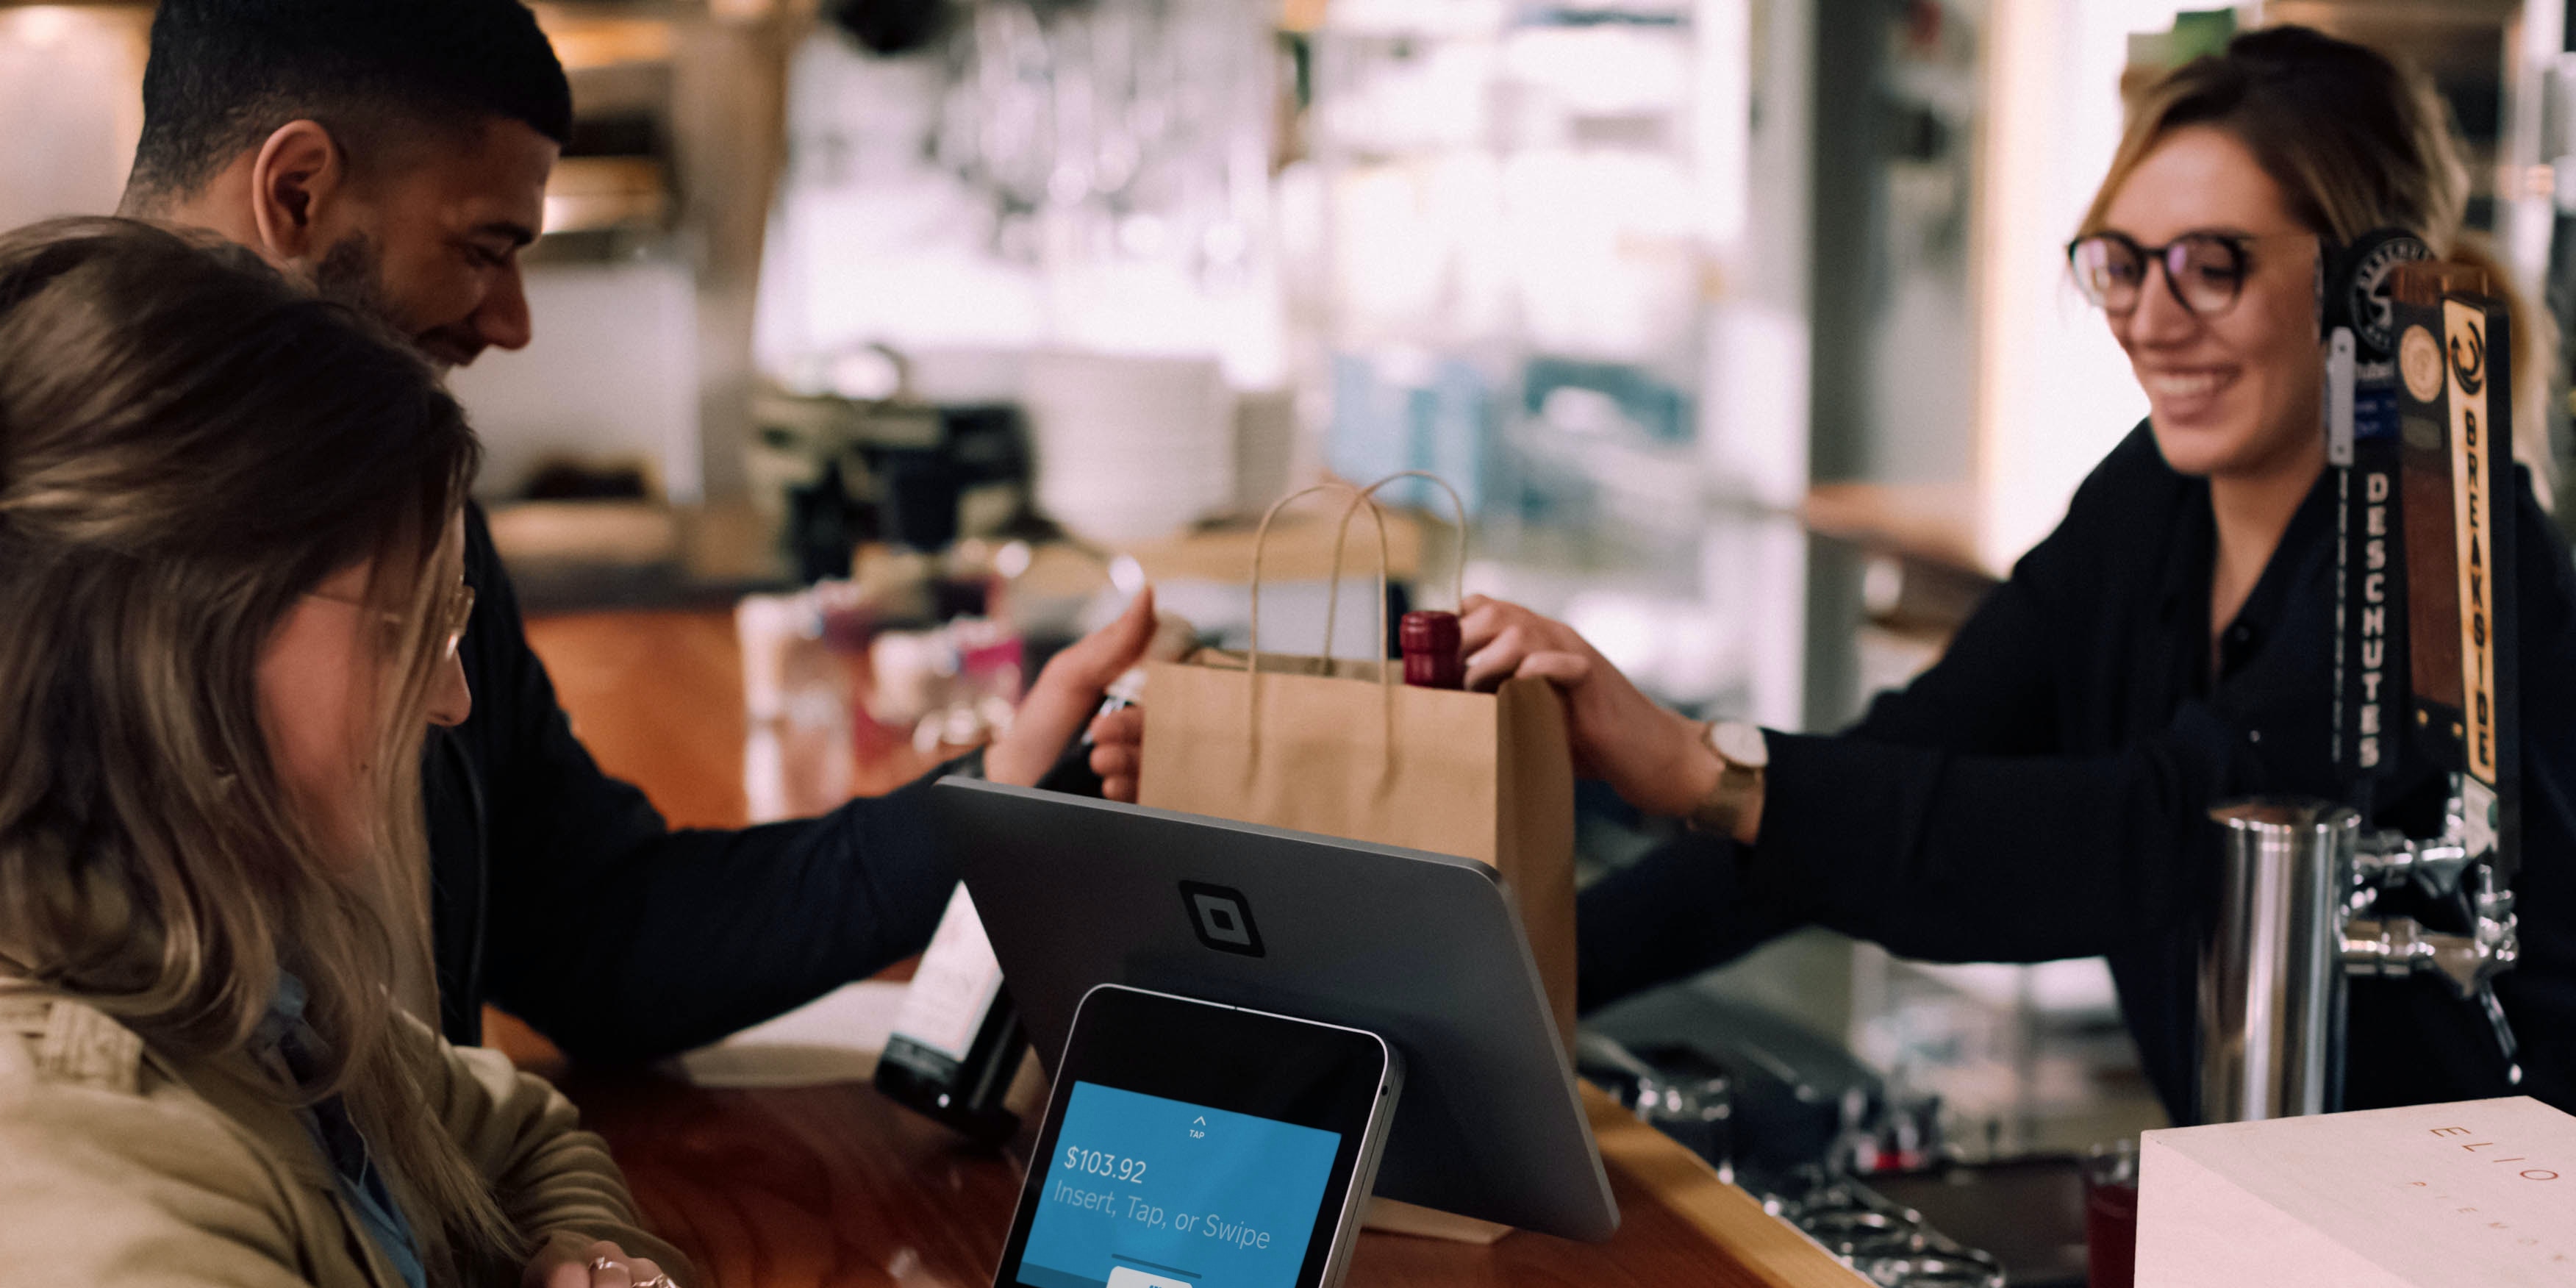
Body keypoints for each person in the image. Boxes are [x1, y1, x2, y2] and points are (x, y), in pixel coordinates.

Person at [0, 218, 1131, 1288]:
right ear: (185, 634)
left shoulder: (213, 975)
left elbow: (501, 1114)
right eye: (404, 627)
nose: (450, 695)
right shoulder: (35, 1141)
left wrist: (586, 1258)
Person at [1102, 26, 2576, 1124]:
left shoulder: (2445, 563)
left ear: (2366, 289)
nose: (2151, 318)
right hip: (2292, 1209)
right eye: (2120, 263)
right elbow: (1895, 771)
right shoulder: (2153, 508)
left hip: (2506, 1237)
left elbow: (2144, 844)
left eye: (2213, 263)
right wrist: (1458, 1009)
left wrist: (1703, 767)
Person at [118, 0, 1151, 1057]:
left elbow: (598, 934)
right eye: (483, 249)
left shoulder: (420, 528)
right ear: (297, 193)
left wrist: (1002, 802)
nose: (510, 323)